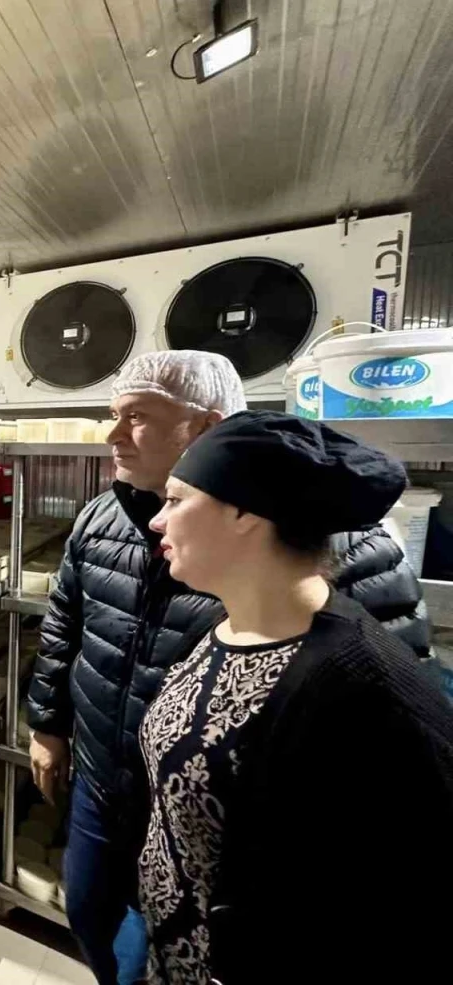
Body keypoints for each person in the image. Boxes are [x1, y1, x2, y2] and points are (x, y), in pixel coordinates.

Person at [25, 351, 428, 985]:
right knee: (94, 917)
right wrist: (48, 723)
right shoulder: (104, 517)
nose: (112, 435)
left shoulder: (331, 549)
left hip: (222, 825)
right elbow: (64, 622)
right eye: (113, 415)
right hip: (105, 782)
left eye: (137, 417)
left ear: (207, 427)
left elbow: (387, 737)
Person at [139, 411, 453, 984]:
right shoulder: (219, 627)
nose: (158, 519)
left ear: (245, 512)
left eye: (177, 500)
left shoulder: (365, 687)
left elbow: (410, 903)